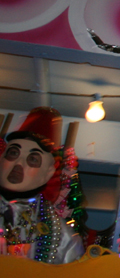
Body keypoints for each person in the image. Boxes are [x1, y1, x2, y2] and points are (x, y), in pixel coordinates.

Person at [0, 107, 83, 263]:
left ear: (48, 173)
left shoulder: (63, 239)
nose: (18, 164)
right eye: (13, 153)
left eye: (33, 159)